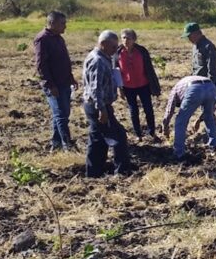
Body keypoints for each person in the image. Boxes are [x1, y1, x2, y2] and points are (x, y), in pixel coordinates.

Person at [82, 30, 132, 177]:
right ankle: (121, 172)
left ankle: (94, 173)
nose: (115, 50)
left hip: (99, 105)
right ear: (103, 44)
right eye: (113, 47)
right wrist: (102, 110)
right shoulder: (97, 61)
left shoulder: (103, 58)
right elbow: (95, 88)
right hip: (98, 106)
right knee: (118, 137)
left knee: (98, 140)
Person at [33, 11, 79, 153]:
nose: (65, 26)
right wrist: (50, 85)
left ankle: (56, 143)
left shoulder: (59, 38)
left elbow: (64, 60)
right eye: (62, 23)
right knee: (60, 115)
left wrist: (71, 77)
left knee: (63, 113)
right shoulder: (42, 39)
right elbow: (41, 65)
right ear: (52, 23)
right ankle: (67, 145)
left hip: (64, 82)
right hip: (54, 85)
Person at [115, 28, 162, 142]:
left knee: (148, 109)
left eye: (129, 38)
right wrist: (119, 88)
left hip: (143, 85)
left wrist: (154, 86)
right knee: (133, 111)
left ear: (134, 39)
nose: (126, 40)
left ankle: (152, 132)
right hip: (128, 86)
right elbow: (116, 71)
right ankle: (138, 134)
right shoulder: (118, 52)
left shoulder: (141, 51)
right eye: (124, 38)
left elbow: (149, 69)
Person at [161, 76, 216, 161]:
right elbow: (211, 110)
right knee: (209, 117)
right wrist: (199, 120)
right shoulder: (183, 85)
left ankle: (178, 153)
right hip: (211, 86)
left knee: (180, 121)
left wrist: (165, 127)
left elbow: (169, 110)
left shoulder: (175, 90)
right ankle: (213, 148)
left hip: (194, 88)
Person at [182, 22, 216, 93]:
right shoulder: (195, 46)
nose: (189, 39)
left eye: (189, 36)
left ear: (196, 34)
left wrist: (209, 85)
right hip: (197, 83)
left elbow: (213, 68)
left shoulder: (208, 46)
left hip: (208, 85)